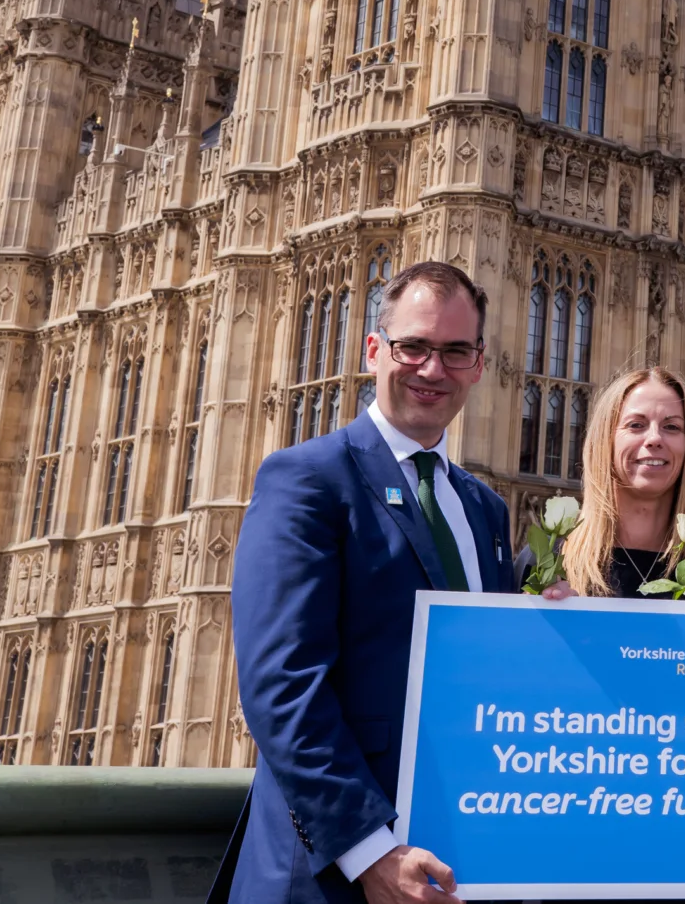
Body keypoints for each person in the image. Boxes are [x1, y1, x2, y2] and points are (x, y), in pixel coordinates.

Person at [220, 260, 523, 904]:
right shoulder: (307, 479)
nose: (432, 370)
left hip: (453, 861)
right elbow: (282, 686)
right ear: (375, 349)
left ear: (479, 362)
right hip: (329, 873)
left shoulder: (483, 510)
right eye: (413, 347)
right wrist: (371, 851)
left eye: (454, 351)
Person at [558, 364, 685, 603]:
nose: (655, 438)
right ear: (606, 440)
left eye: (672, 427)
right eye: (636, 425)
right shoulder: (551, 564)